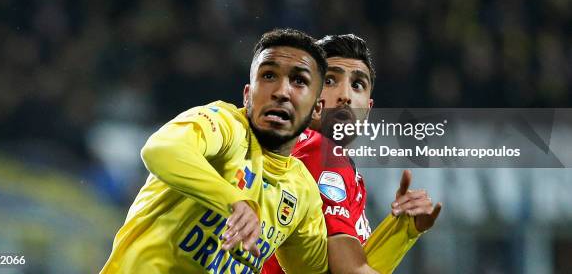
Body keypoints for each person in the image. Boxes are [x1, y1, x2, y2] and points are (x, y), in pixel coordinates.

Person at [100, 29, 378, 274]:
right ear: (247, 94)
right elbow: (160, 149)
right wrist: (234, 201)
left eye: (299, 81)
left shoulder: (301, 190)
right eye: (269, 76)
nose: (282, 91)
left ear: (316, 107)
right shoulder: (224, 126)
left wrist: (404, 231)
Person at [263, 34, 442, 274]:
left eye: (357, 84)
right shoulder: (320, 151)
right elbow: (350, 270)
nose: (346, 94)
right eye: (329, 80)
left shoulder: (318, 156)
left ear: (367, 110)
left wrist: (402, 230)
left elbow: (356, 264)